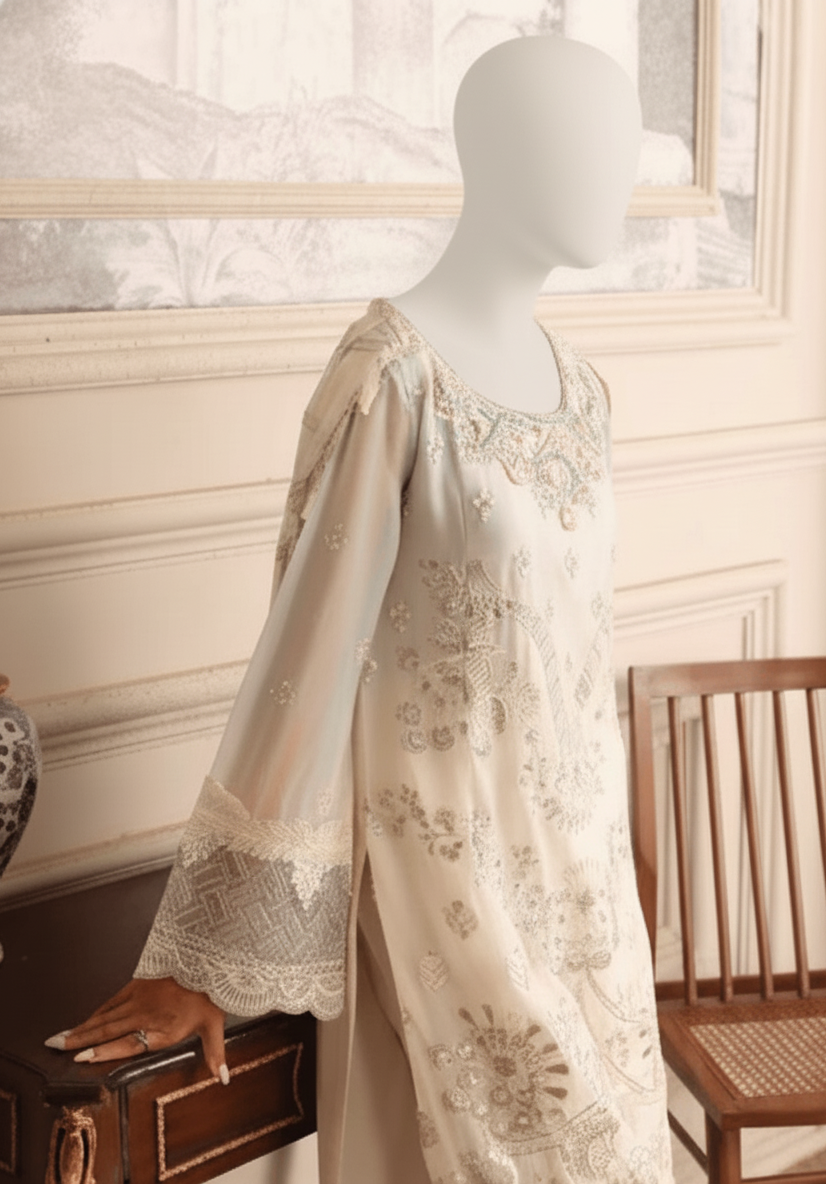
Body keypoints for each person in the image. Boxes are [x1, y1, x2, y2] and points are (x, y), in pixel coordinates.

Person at [46, 34, 674, 1183]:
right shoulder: (392, 376)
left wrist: (620, 880)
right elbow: (308, 659)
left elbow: (575, 667)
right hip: (452, 904)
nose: (618, 180)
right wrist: (207, 955)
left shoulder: (583, 390)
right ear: (505, 154)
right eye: (593, 146)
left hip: (587, 912)